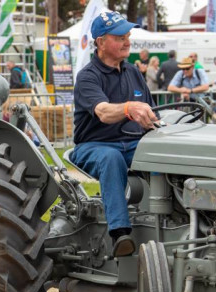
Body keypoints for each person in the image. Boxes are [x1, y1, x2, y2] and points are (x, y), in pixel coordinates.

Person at [72, 10, 156, 257]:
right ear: (100, 42)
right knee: (111, 159)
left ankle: (175, 218)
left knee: (163, 155)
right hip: (93, 145)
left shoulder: (133, 73)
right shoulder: (88, 76)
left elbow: (152, 114)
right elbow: (104, 112)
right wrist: (129, 108)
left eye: (128, 35)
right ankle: (120, 233)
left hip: (131, 143)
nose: (127, 41)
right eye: (120, 37)